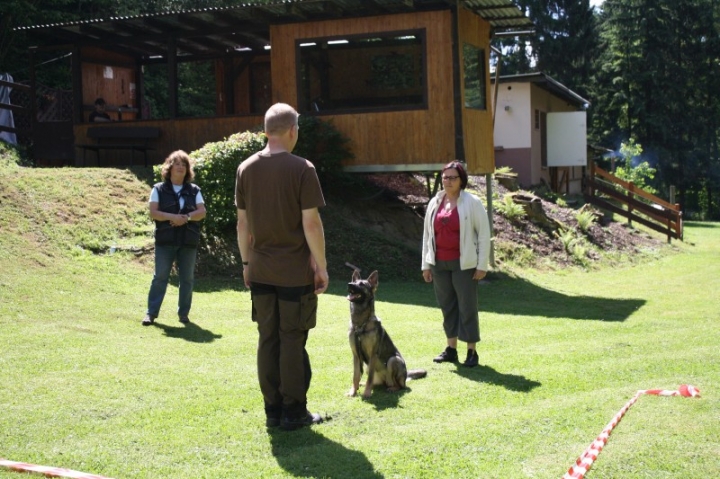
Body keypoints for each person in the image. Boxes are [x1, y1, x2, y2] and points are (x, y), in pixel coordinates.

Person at [235, 102, 329, 431]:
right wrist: (321, 266)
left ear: (265, 131)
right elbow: (312, 225)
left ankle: (272, 411)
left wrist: (246, 263)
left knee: (267, 339)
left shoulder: (245, 168)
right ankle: (294, 412)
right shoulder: (303, 168)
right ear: (293, 131)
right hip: (293, 274)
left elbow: (242, 225)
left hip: (259, 269)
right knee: (291, 339)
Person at [421, 161, 490, 368]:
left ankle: (471, 352)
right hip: (439, 263)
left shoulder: (472, 202)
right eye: (444, 177)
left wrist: (482, 265)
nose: (447, 181)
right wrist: (426, 263)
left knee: (467, 307)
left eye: (452, 177)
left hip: (464, 263)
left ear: (462, 180)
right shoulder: (435, 202)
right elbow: (427, 234)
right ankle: (451, 349)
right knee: (447, 306)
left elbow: (484, 235)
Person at [143, 150, 206, 326]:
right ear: (169, 168)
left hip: (188, 241)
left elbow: (202, 212)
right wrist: (172, 217)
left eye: (184, 164)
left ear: (188, 170)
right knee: (160, 277)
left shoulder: (194, 190)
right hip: (165, 241)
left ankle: (184, 314)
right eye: (177, 163)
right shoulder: (158, 189)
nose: (180, 167)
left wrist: (186, 218)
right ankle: (151, 313)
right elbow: (153, 212)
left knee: (187, 279)